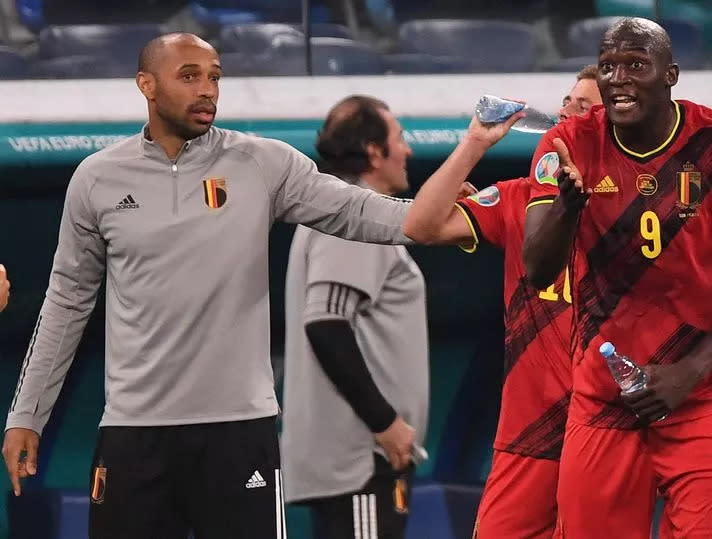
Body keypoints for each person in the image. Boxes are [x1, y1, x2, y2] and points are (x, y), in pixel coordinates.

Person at [1, 33, 518, 539]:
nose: (207, 89)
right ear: (147, 85)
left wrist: (444, 214)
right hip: (134, 434)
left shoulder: (263, 163)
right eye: (189, 76)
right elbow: (66, 303)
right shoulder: (96, 179)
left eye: (215, 77)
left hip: (238, 433)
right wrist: (27, 415)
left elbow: (358, 210)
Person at [522, 17, 712, 538]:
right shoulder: (567, 144)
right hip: (603, 399)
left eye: (636, 64)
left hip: (703, 393)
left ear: (671, 75)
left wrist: (692, 370)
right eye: (610, 66)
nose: (618, 77)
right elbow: (537, 269)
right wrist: (567, 208)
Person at [400, 67, 601, 538]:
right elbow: (421, 225)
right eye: (567, 103)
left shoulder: (634, 209)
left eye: (584, 107)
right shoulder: (518, 198)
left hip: (601, 431)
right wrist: (475, 143)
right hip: (528, 435)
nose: (567, 114)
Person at [283, 95, 451, 539]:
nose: (408, 150)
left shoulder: (345, 211)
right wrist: (386, 424)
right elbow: (326, 325)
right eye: (399, 138)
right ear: (374, 151)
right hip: (361, 462)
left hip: (363, 459)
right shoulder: (351, 216)